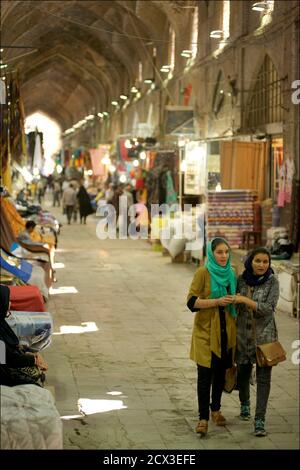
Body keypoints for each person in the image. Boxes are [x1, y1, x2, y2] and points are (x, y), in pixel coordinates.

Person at [186, 237, 237, 436]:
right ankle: (203, 418)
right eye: (219, 252)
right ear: (211, 254)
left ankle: (215, 409)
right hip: (206, 333)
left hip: (227, 332)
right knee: (205, 376)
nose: (223, 256)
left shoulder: (232, 273)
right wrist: (216, 302)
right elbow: (191, 302)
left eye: (226, 252)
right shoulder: (203, 272)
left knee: (220, 373)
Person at [234, 247, 279, 437]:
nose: (262, 265)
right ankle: (245, 402)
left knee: (263, 378)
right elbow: (235, 304)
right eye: (258, 261)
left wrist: (245, 300)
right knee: (243, 373)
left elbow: (268, 309)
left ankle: (259, 420)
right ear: (250, 262)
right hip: (243, 335)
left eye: (265, 262)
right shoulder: (241, 280)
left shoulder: (272, 281)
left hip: (265, 337)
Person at [0, 285, 48, 386]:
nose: (10, 304)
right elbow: (7, 361)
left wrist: (32, 356)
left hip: (8, 364)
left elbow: (10, 352)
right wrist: (33, 360)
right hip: (4, 374)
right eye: (7, 301)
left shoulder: (2, 323)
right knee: (36, 384)